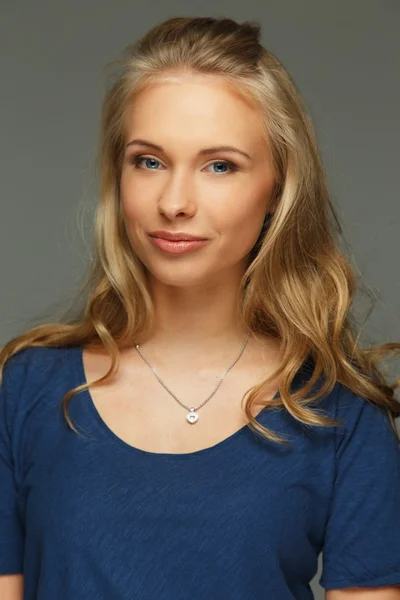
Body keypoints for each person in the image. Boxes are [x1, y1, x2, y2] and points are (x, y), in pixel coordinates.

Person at [1, 15, 400, 600]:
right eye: (149, 160)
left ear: (277, 188)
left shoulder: (339, 412)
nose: (174, 201)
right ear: (119, 175)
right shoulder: (26, 390)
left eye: (220, 165)